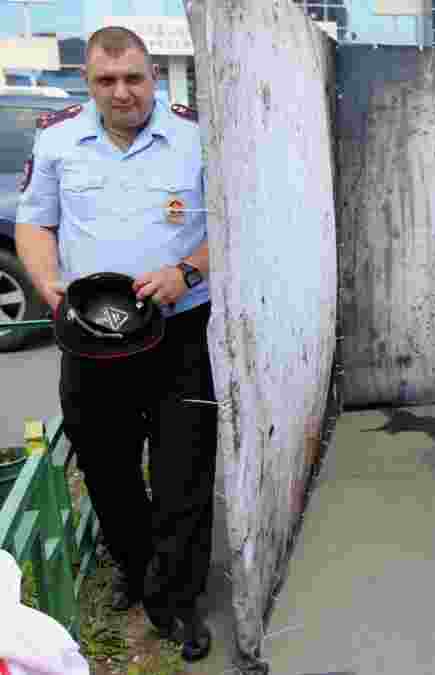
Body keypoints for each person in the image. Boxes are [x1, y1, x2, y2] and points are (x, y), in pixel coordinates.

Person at [15, 27, 214, 661]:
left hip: (179, 331)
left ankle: (178, 601)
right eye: (107, 80)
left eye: (134, 78)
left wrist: (186, 272)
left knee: (184, 472)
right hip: (92, 337)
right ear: (87, 82)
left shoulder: (198, 137)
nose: (122, 92)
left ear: (153, 75)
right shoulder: (57, 140)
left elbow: (237, 221)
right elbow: (35, 222)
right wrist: (47, 282)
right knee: (107, 468)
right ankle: (138, 567)